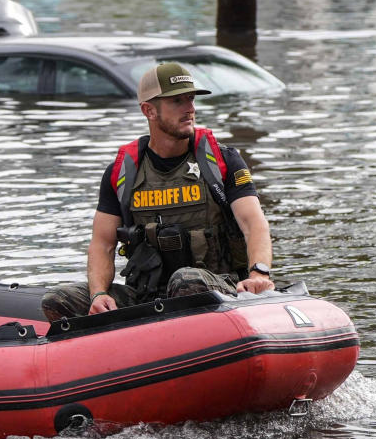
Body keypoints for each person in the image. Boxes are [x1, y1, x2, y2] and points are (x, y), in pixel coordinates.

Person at [41, 63, 276, 321]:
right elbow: (103, 244)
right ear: (149, 110)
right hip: (147, 295)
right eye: (177, 101)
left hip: (218, 288)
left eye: (191, 99)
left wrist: (259, 275)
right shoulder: (121, 172)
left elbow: (253, 224)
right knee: (58, 300)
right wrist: (99, 295)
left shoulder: (223, 161)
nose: (190, 109)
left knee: (186, 281)